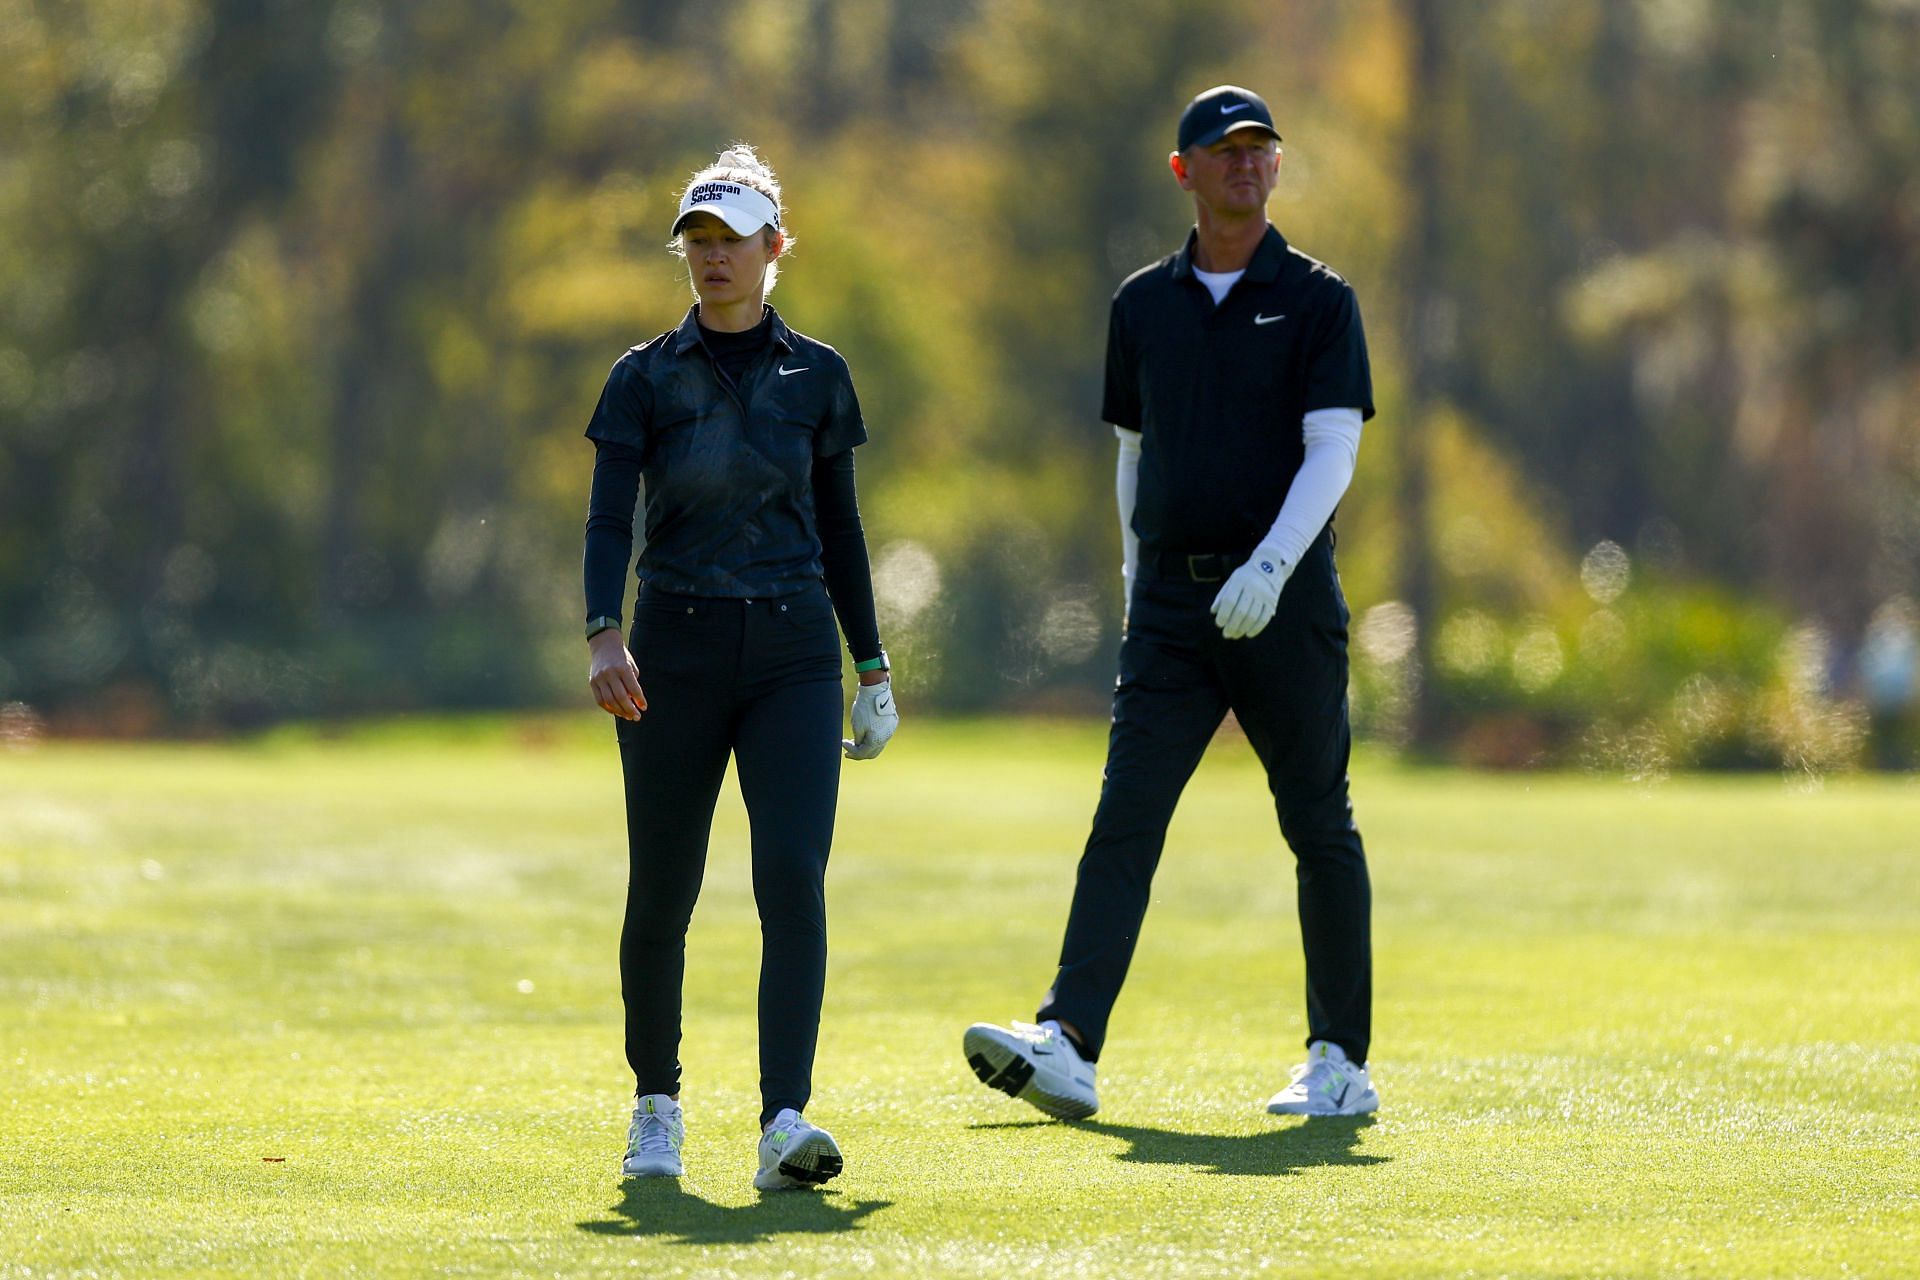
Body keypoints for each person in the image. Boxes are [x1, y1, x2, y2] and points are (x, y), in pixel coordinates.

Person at [963, 85, 1379, 1120]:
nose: (1246, 163)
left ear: (1277, 168)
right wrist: (1130, 580)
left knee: (1317, 821)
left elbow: (1333, 452)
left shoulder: (1319, 299)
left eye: (1260, 149)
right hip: (1169, 609)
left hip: (1283, 598)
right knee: (1125, 817)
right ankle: (1068, 1039)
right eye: (1224, 150)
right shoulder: (1142, 304)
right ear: (1183, 170)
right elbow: (1133, 456)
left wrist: (1274, 566)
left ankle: (1339, 1060)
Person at [581, 144, 899, 1190]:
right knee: (661, 888)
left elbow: (844, 528)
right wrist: (601, 630)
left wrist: (874, 664)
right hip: (671, 647)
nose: (712, 258)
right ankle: (656, 1105)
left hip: (796, 653)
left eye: (731, 240)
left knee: (791, 878)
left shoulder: (821, 374)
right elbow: (608, 514)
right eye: (697, 241)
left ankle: (783, 1119)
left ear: (774, 246)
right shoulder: (642, 376)